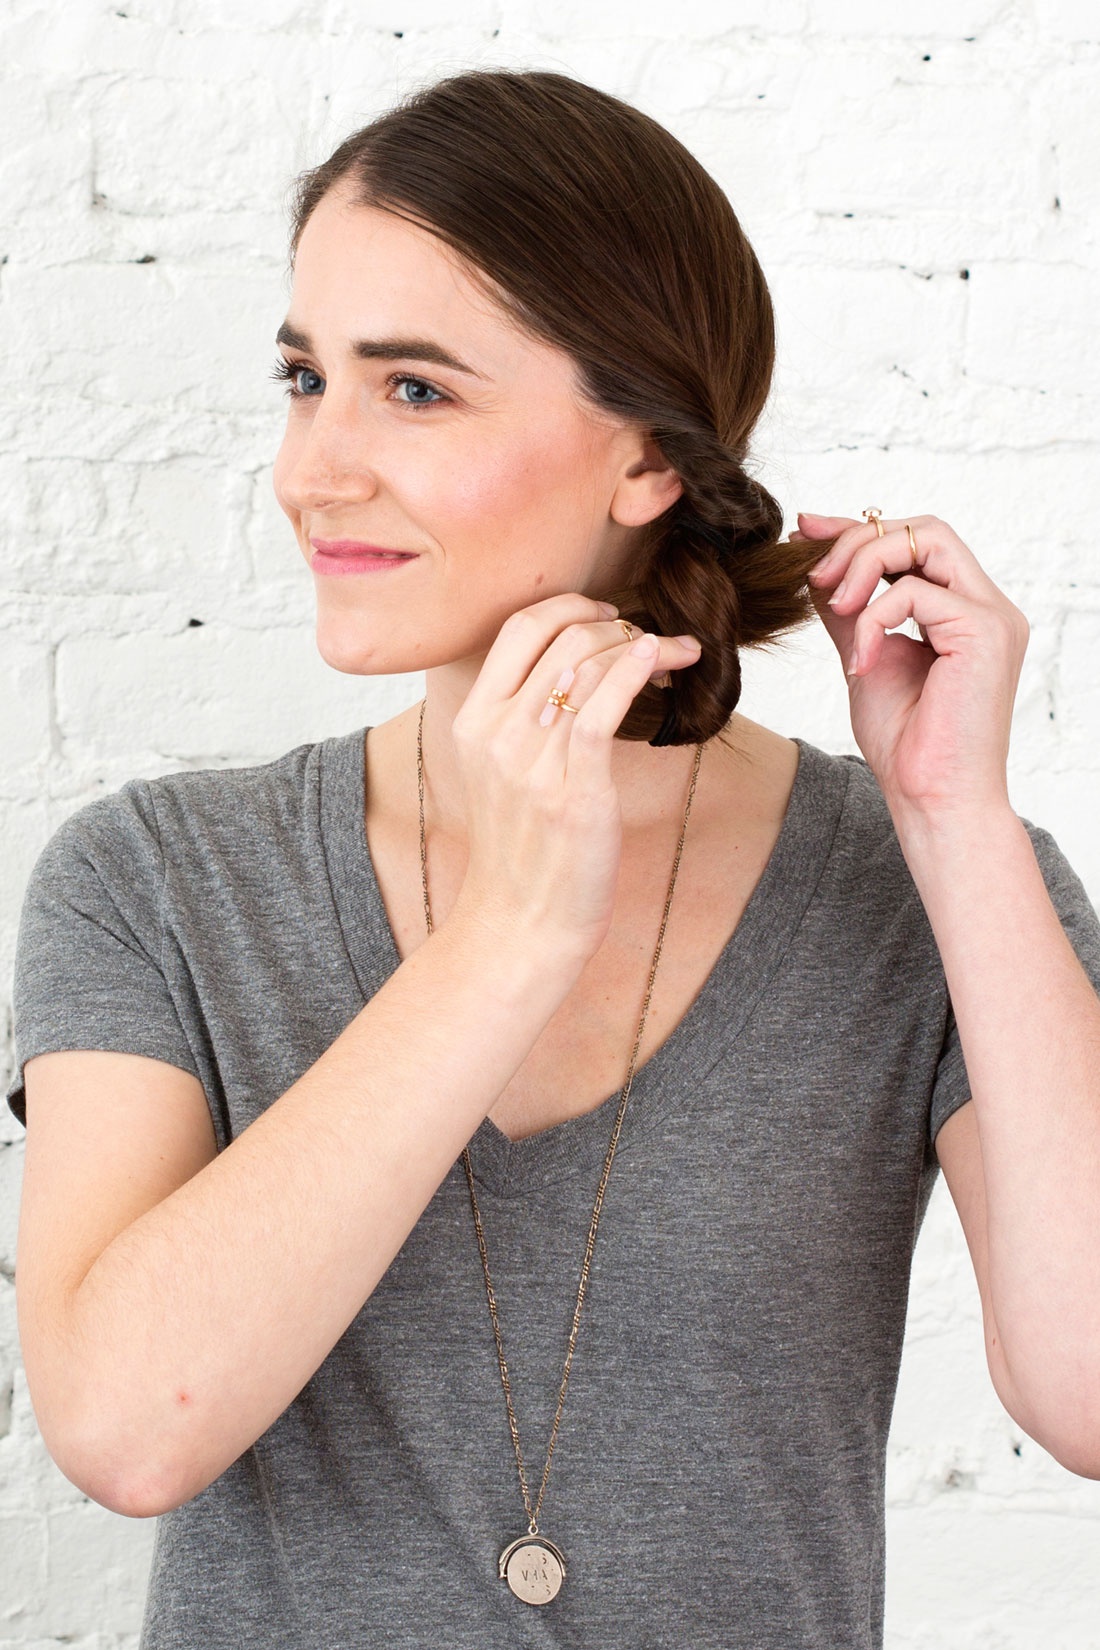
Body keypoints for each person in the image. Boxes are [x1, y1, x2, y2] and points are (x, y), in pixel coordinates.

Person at [7, 66, 1100, 1650]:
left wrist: (954, 819)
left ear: (644, 461)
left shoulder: (929, 888)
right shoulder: (157, 881)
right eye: (305, 377)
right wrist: (508, 936)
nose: (312, 468)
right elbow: (126, 1427)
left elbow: (1090, 1390)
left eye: (415, 389)